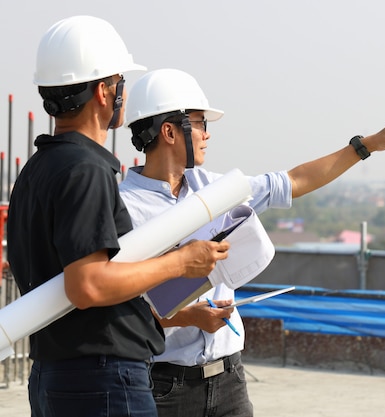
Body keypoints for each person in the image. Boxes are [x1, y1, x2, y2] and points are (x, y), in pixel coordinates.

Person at [118, 67, 385, 417]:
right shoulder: (123, 208)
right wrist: (186, 318)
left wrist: (367, 145)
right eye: (201, 123)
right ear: (170, 131)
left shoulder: (217, 190)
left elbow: (294, 180)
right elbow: (115, 308)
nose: (207, 135)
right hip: (165, 390)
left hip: (230, 380)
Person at [6, 18, 231, 417]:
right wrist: (181, 262)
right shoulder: (85, 170)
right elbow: (88, 285)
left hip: (58, 373)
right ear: (103, 91)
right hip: (102, 380)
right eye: (120, 81)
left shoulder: (39, 169)